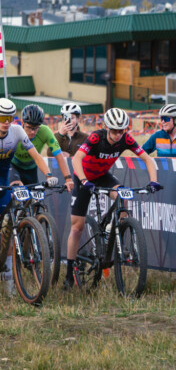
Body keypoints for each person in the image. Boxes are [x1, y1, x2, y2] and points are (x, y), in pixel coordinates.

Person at [64, 108, 160, 289]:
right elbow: (76, 159)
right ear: (107, 127)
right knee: (77, 227)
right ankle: (69, 273)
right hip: (83, 177)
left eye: (121, 130)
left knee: (123, 197)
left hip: (102, 175)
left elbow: (147, 159)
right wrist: (84, 180)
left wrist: (153, 181)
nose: (118, 135)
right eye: (114, 130)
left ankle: (112, 231)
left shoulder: (126, 139)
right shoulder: (95, 137)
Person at [0, 98, 58, 266]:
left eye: (10, 118)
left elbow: (36, 156)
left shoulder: (17, 132)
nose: (7, 122)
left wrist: (49, 175)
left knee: (7, 224)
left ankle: (8, 278)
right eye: (2, 118)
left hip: (2, 175)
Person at [11, 104, 74, 192]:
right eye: (29, 127)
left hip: (31, 169)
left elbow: (59, 156)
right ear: (22, 122)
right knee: (17, 189)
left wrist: (68, 179)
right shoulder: (14, 131)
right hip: (14, 167)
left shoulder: (45, 131)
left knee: (36, 199)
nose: (32, 132)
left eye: (36, 128)